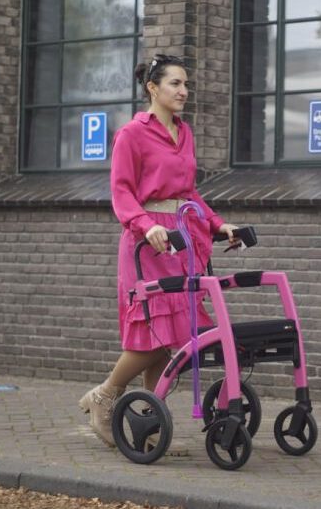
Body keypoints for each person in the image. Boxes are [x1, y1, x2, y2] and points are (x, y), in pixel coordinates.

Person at [78, 54, 239, 448]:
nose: (184, 91)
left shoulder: (185, 133)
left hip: (182, 237)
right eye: (175, 84)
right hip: (147, 241)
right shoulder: (131, 134)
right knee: (154, 331)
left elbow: (189, 193)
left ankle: (147, 418)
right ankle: (105, 395)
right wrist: (145, 225)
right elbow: (121, 191)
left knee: (178, 337)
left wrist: (219, 224)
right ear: (153, 87)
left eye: (186, 85)